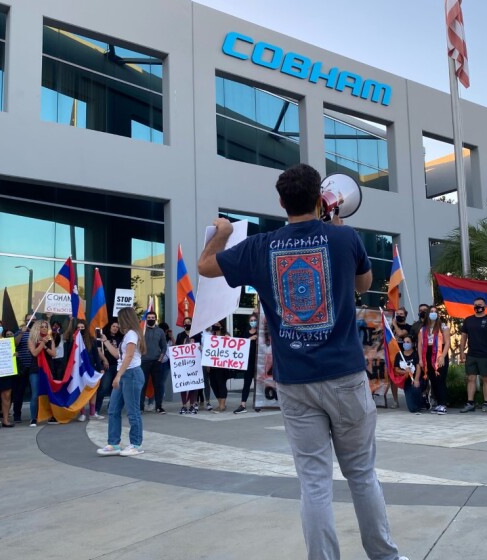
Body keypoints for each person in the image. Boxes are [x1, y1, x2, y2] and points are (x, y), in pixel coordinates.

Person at [198, 163, 406, 560]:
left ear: (280, 202)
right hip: (345, 375)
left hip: (294, 382)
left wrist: (221, 235)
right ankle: (385, 557)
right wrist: (340, 233)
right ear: (319, 198)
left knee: (314, 483)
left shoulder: (260, 247)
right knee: (362, 476)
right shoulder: (345, 238)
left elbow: (207, 267)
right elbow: (364, 285)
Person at [97, 307, 146, 457]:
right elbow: (119, 355)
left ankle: (135, 444)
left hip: (131, 375)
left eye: (119, 319)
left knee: (132, 411)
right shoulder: (128, 335)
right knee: (113, 409)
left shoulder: (131, 334)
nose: (118, 322)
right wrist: (105, 341)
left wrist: (118, 376)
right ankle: (114, 443)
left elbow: (129, 356)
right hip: (125, 374)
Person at [458, 297, 487, 413]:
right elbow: (463, 337)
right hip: (471, 354)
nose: (478, 306)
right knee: (470, 378)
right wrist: (462, 352)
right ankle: (470, 403)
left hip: (486, 355)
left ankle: (486, 403)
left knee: (486, 379)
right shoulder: (468, 320)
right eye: (475, 304)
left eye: (480, 304)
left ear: (485, 306)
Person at [417, 305, 450, 414]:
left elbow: (447, 343)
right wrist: (421, 359)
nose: (433, 313)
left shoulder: (443, 327)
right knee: (433, 380)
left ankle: (443, 404)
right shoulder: (423, 329)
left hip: (439, 354)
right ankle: (438, 403)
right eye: (431, 311)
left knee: (440, 379)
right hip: (428, 354)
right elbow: (420, 345)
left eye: (435, 311)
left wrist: (442, 357)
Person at [28, 319, 56, 427]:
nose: (44, 328)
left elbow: (53, 354)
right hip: (35, 369)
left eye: (46, 327)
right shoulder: (32, 339)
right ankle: (33, 418)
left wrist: (45, 345)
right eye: (42, 326)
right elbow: (34, 353)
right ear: (37, 328)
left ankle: (50, 416)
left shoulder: (50, 340)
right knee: (35, 395)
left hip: (48, 369)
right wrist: (42, 343)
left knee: (49, 393)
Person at [140, 310, 169, 413]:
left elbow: (164, 346)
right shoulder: (141, 330)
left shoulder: (160, 331)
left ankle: (159, 406)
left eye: (153, 318)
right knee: (142, 384)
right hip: (144, 361)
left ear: (155, 319)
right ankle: (140, 407)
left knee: (158, 385)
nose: (151, 320)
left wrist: (161, 358)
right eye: (149, 318)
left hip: (157, 361)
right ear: (146, 319)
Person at [94, 320, 123, 418]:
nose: (115, 328)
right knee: (104, 387)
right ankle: (96, 409)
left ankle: (111, 407)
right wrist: (105, 360)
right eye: (113, 326)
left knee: (115, 388)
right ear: (110, 327)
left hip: (118, 366)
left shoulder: (121, 338)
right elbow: (98, 351)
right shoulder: (103, 336)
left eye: (117, 327)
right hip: (107, 366)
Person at [12, 314, 36, 423]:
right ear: (25, 320)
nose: (32, 321)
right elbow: (14, 343)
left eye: (34, 320)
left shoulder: (38, 333)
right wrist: (22, 332)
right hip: (21, 367)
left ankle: (35, 414)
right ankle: (17, 415)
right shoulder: (19, 331)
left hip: (34, 367)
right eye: (29, 320)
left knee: (35, 393)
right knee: (19, 393)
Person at [234, 312, 259, 414]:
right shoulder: (246, 332)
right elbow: (240, 344)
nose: (253, 322)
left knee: (258, 383)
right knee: (247, 383)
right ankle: (243, 404)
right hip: (248, 361)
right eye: (251, 321)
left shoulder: (260, 331)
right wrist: (249, 339)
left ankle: (258, 403)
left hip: (258, 361)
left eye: (254, 320)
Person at [396, 335, 423, 414]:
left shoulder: (416, 354)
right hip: (406, 382)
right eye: (404, 342)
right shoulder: (399, 355)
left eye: (408, 342)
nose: (405, 344)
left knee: (416, 390)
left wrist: (416, 380)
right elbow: (396, 369)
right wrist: (405, 372)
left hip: (416, 379)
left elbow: (418, 367)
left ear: (412, 344)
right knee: (412, 408)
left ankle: (423, 400)